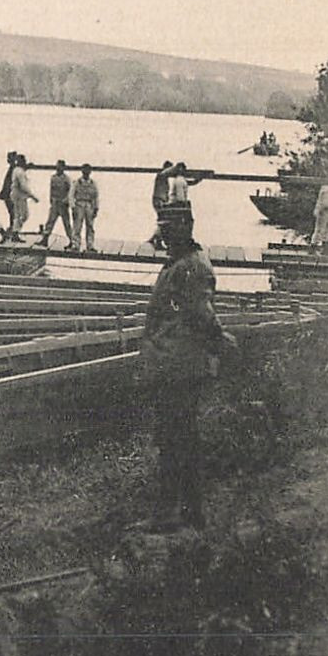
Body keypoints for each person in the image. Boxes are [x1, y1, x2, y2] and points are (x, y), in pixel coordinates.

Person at [139, 206, 232, 531]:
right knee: (178, 438)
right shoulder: (180, 263)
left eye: (170, 226)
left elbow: (201, 312)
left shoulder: (190, 266)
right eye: (160, 226)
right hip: (171, 364)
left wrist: (218, 339)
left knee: (176, 439)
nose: (163, 233)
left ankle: (173, 514)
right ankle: (189, 512)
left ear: (187, 226)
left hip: (180, 366)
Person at [36, 160, 76, 250]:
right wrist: (51, 199)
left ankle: (72, 241)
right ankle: (45, 239)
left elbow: (70, 192)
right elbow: (51, 189)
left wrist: (66, 201)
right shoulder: (53, 177)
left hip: (63, 204)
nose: (58, 168)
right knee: (50, 221)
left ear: (63, 168)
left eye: (60, 167)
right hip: (55, 203)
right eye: (57, 166)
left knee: (67, 223)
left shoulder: (66, 179)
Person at [5, 154, 38, 241]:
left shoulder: (16, 170)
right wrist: (33, 196)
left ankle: (15, 232)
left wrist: (27, 167)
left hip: (15, 195)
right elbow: (23, 186)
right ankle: (15, 232)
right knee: (24, 215)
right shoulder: (20, 172)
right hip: (20, 196)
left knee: (17, 215)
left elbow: (21, 171)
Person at [72, 165, 100, 251]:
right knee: (77, 226)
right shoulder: (77, 182)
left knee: (90, 226)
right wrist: (73, 207)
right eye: (84, 171)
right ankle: (76, 244)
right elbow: (71, 195)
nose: (86, 173)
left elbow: (96, 196)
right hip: (79, 204)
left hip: (89, 205)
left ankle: (90, 245)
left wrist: (96, 208)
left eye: (88, 171)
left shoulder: (93, 183)